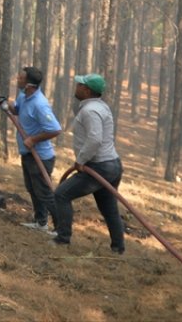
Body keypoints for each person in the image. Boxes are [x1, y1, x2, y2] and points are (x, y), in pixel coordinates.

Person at [51, 73, 125, 254]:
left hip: (99, 167)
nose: (76, 87)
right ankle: (118, 248)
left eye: (80, 85)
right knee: (109, 208)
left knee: (61, 195)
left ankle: (62, 239)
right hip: (112, 165)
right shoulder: (101, 107)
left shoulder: (90, 111)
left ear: (87, 90)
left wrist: (80, 161)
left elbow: (94, 140)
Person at [9, 66, 61, 232]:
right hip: (28, 154)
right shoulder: (24, 96)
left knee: (45, 193)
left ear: (29, 84)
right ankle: (41, 222)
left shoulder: (40, 104)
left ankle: (61, 229)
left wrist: (33, 139)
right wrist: (7, 104)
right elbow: (18, 109)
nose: (17, 79)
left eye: (21, 78)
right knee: (32, 189)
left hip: (41, 156)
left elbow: (55, 129)